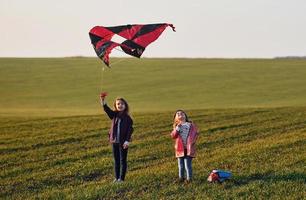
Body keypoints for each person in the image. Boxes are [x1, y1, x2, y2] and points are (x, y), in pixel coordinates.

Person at [100, 94, 134, 183]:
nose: (120, 105)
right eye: (118, 104)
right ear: (115, 106)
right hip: (114, 141)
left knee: (123, 160)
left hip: (123, 142)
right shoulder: (114, 115)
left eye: (122, 104)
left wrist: (127, 141)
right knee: (116, 161)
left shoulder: (128, 118)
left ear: (125, 106)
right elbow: (107, 110)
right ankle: (116, 177)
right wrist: (103, 101)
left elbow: (130, 130)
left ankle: (121, 179)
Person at [171, 110, 198, 183]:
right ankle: (181, 178)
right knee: (180, 165)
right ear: (175, 119)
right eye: (178, 114)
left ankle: (189, 179)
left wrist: (192, 141)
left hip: (188, 148)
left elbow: (195, 134)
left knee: (187, 165)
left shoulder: (190, 125)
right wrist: (177, 129)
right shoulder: (177, 126)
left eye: (182, 113)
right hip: (180, 149)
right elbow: (173, 136)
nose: (180, 114)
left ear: (185, 116)